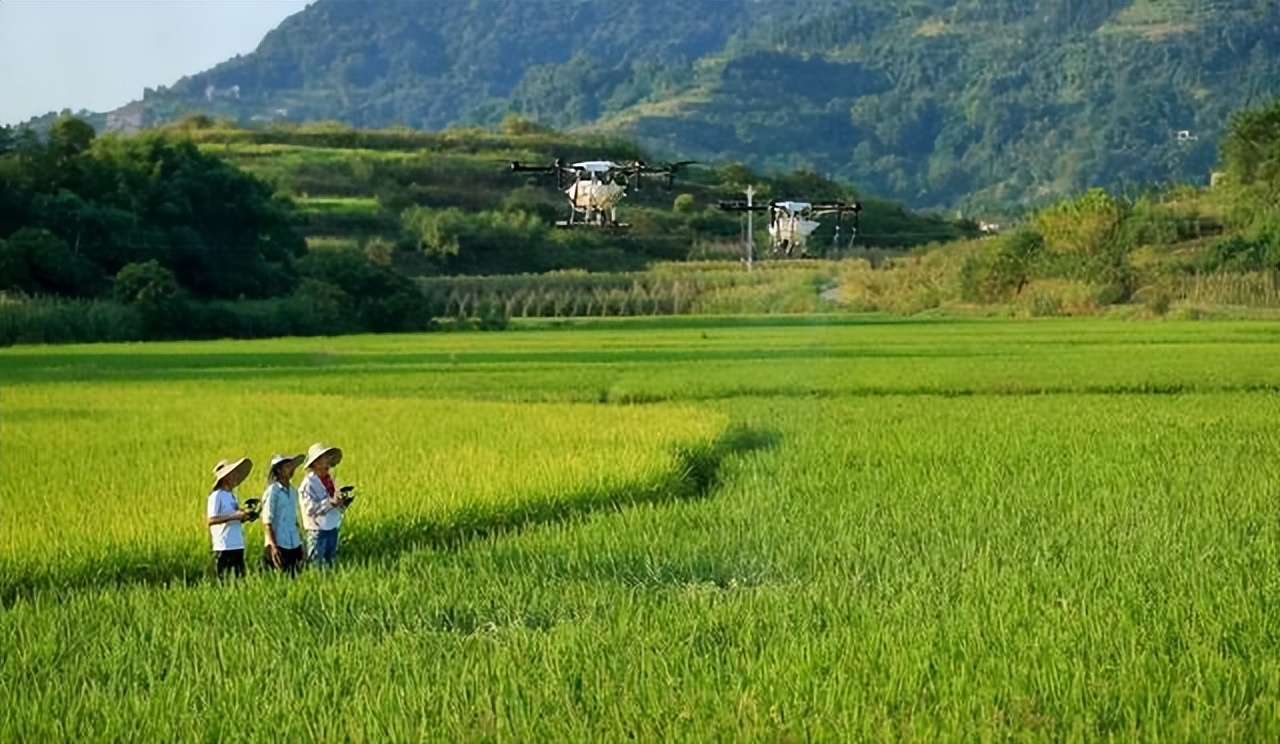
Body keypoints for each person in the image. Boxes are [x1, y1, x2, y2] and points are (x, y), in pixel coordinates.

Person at [299, 442, 347, 568]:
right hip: (317, 531)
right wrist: (331, 503)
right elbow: (310, 509)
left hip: (332, 526)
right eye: (323, 459)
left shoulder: (330, 480)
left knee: (330, 563)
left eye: (327, 459)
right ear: (315, 463)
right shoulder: (308, 484)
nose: (327, 462)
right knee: (317, 564)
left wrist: (341, 502)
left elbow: (336, 499)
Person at [207, 457, 253, 579]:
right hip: (223, 546)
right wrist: (233, 516)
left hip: (237, 544)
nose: (235, 477)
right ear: (225, 477)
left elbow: (237, 517)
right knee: (224, 580)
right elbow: (211, 519)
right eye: (232, 474)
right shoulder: (216, 496)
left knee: (240, 579)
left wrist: (245, 516)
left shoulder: (232, 496)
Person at [261, 453, 306, 575]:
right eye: (287, 467)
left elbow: (294, 519)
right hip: (279, 543)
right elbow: (267, 521)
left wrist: (301, 542)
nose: (291, 470)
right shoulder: (273, 492)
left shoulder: (293, 491)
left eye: (291, 467)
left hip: (293, 543)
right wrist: (273, 546)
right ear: (279, 470)